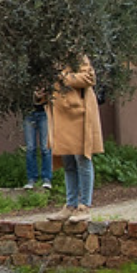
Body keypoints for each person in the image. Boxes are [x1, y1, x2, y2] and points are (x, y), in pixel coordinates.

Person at [49, 57, 103, 212]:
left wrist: (63, 77)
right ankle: (71, 204)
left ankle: (85, 205)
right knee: (67, 161)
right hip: (61, 115)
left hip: (78, 114)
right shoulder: (50, 57)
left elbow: (89, 78)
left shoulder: (77, 55)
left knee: (82, 158)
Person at [22, 93, 52, 191]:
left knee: (45, 147)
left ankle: (46, 179)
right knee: (30, 148)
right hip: (29, 112)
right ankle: (31, 179)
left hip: (44, 112)